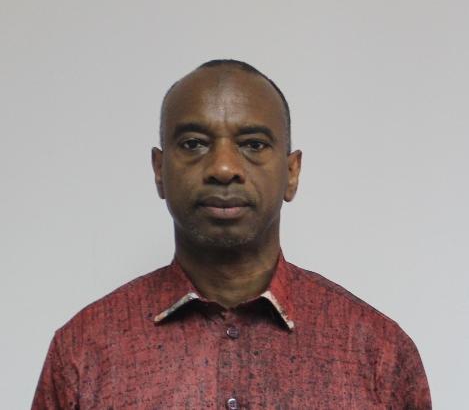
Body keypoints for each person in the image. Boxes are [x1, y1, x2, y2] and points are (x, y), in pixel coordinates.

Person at [32, 59, 431, 409]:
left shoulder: (378, 353)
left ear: (292, 172)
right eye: (194, 144)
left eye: (253, 144)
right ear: (159, 170)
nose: (223, 168)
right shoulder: (83, 349)